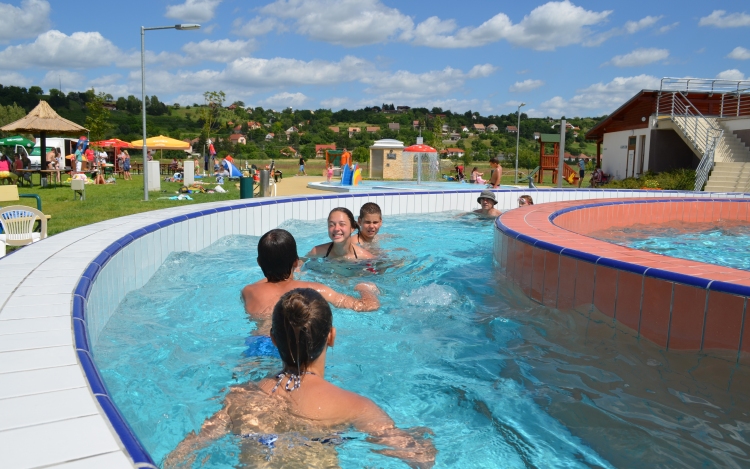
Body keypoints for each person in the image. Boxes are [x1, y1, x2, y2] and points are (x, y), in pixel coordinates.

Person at [165, 288, 435, 468]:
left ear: (272, 339)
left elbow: (182, 455)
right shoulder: (355, 406)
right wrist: (425, 438)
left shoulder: (239, 396)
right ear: (331, 337)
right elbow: (419, 458)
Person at [241, 229, 380, 335]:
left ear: (259, 263)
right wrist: (365, 288)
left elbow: (272, 285)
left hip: (257, 343)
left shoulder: (248, 291)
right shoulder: (314, 289)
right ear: (296, 262)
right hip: (295, 346)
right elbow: (367, 306)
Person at [307, 208, 375, 260]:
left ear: (352, 228)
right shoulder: (317, 252)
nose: (336, 229)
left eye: (342, 224)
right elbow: (300, 264)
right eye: (331, 224)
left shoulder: (365, 257)